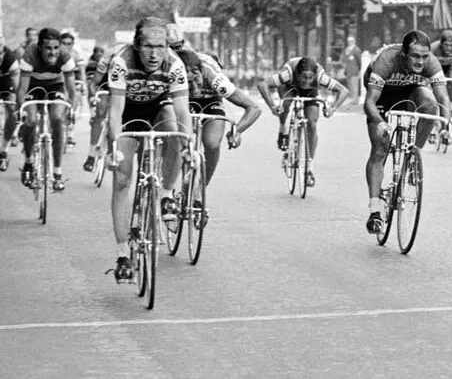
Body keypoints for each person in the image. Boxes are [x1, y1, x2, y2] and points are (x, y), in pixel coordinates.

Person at [107, 17, 192, 283]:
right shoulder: (122, 62)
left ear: (168, 46)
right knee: (121, 179)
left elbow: (182, 110)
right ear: (136, 46)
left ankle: (166, 193)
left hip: (158, 106)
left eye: (160, 46)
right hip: (128, 112)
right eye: (147, 47)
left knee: (176, 132)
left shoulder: (175, 64)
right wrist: (113, 149)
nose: (154, 54)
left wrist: (188, 145)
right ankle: (122, 255)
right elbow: (115, 111)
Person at [362, 30, 452, 234]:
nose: (420, 62)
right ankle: (375, 211)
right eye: (415, 56)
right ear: (404, 54)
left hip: (410, 88)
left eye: (424, 56)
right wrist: (380, 122)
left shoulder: (431, 63)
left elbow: (443, 98)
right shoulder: (386, 60)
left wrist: (446, 123)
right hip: (381, 94)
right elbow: (369, 103)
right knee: (379, 149)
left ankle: (414, 155)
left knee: (430, 104)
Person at [175, 47, 262, 193]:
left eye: (196, 79)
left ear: (201, 71)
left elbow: (253, 108)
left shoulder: (215, 79)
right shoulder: (172, 74)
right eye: (188, 82)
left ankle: (200, 190)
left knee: (212, 144)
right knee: (176, 142)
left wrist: (237, 130)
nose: (194, 87)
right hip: (182, 99)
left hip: (210, 101)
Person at [257, 55, 349, 187]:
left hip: (311, 92)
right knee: (286, 105)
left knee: (312, 123)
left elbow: (343, 90)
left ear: (314, 76)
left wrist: (332, 108)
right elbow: (263, 85)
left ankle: (309, 168)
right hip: (289, 87)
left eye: (310, 77)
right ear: (297, 74)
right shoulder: (288, 74)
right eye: (304, 77)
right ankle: (283, 128)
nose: (306, 81)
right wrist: (273, 106)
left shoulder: (320, 76)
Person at [17, 28, 77, 191]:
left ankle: (57, 173)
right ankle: (29, 162)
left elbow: (71, 89)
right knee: (31, 121)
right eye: (48, 48)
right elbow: (22, 88)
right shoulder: (30, 54)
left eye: (56, 48)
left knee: (57, 119)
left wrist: (73, 109)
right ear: (39, 48)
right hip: (32, 86)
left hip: (55, 85)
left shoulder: (65, 56)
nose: (53, 53)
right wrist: (20, 108)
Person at [430, 29, 452, 105]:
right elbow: (428, 66)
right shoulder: (434, 48)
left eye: (451, 45)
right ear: (441, 43)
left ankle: (450, 102)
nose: (448, 48)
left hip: (450, 67)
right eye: (446, 45)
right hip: (436, 67)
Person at [0, 37, 20, 171]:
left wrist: (19, 103)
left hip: (7, 82)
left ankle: (4, 150)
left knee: (12, 109)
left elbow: (17, 87)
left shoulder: (10, 59)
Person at [343, 35, 362, 103]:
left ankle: (355, 100)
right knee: (350, 86)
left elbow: (359, 61)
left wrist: (359, 70)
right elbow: (345, 60)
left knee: (354, 86)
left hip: (354, 71)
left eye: (351, 41)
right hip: (348, 71)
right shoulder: (346, 49)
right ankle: (352, 99)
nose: (349, 42)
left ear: (354, 41)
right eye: (348, 41)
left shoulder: (356, 50)